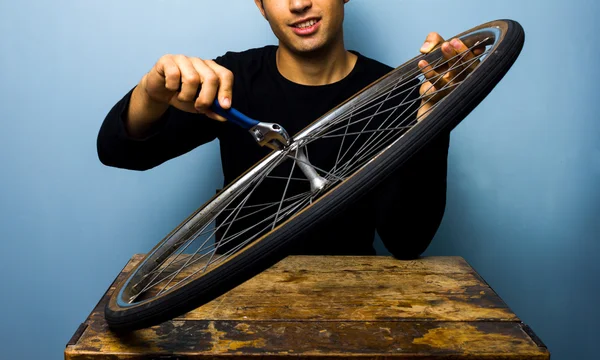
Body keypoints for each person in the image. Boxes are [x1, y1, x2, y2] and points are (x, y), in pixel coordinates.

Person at [97, 0, 477, 259]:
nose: (298, 4)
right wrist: (151, 91)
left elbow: (408, 242)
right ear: (260, 5)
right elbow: (118, 152)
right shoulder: (232, 81)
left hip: (354, 300)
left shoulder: (394, 90)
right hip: (235, 298)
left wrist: (433, 119)